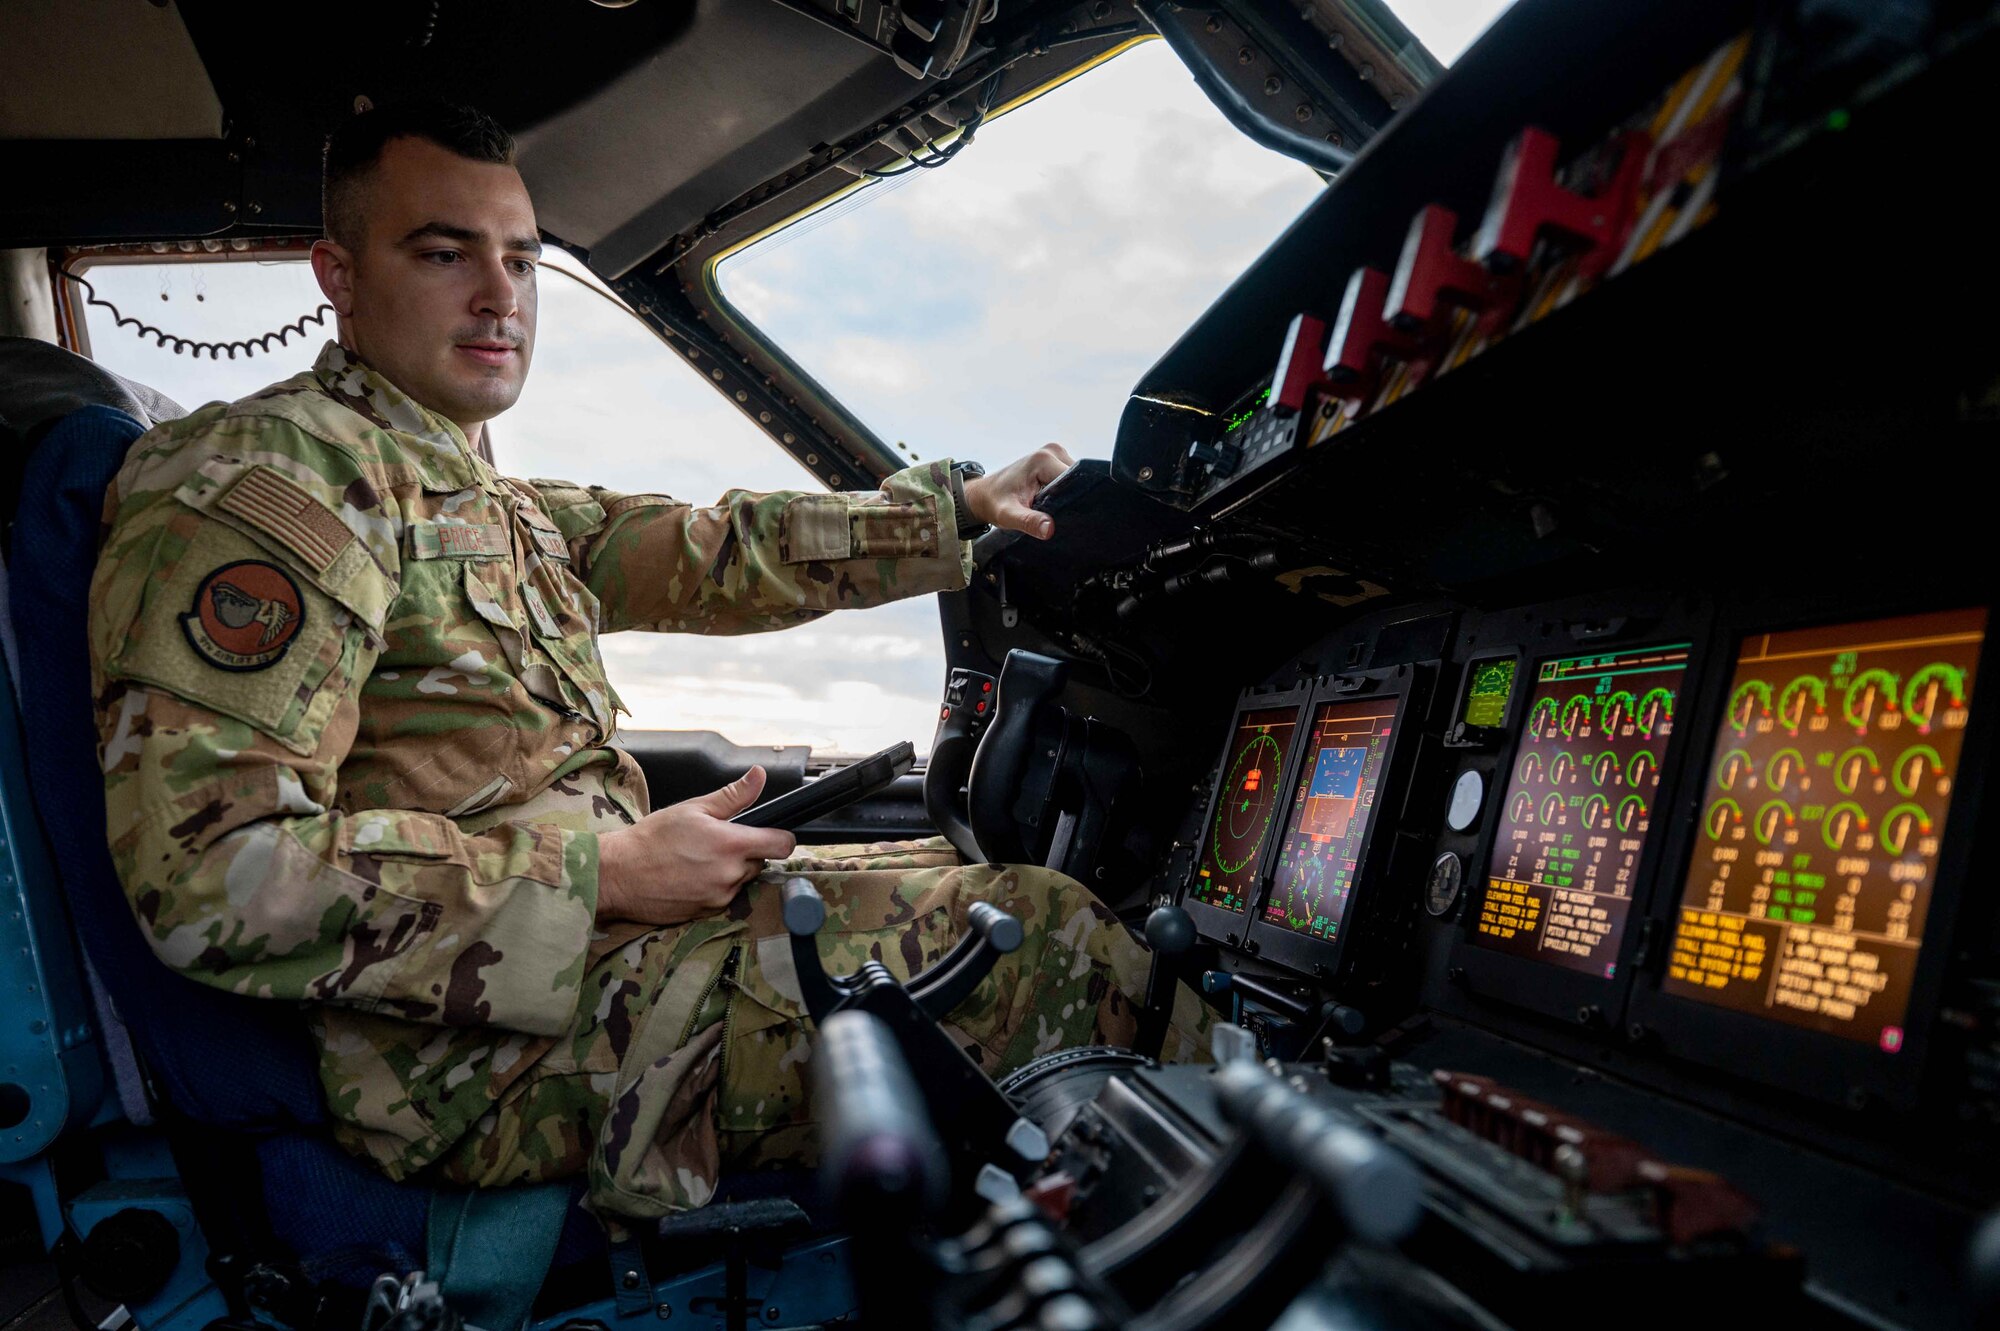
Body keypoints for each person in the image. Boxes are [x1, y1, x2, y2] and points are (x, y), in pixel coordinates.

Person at [89, 99, 1209, 1218]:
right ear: (336, 274)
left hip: (584, 964)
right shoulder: (274, 485)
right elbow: (212, 874)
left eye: (521, 261)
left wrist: (953, 513)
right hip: (470, 1054)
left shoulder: (464, 489)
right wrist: (605, 875)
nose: (500, 297)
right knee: (1040, 943)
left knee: (1000, 887)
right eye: (442, 254)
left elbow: (710, 550)